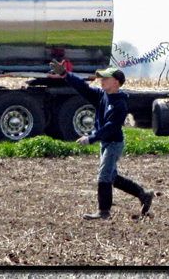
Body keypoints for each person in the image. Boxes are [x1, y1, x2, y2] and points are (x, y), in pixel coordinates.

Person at [49, 60, 154, 220]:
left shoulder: (119, 104)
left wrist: (91, 139)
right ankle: (143, 194)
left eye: (105, 78)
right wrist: (65, 75)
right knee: (111, 177)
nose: (102, 81)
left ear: (116, 82)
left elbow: (111, 127)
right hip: (107, 143)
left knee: (104, 176)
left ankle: (103, 211)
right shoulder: (102, 96)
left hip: (113, 144)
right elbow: (83, 88)